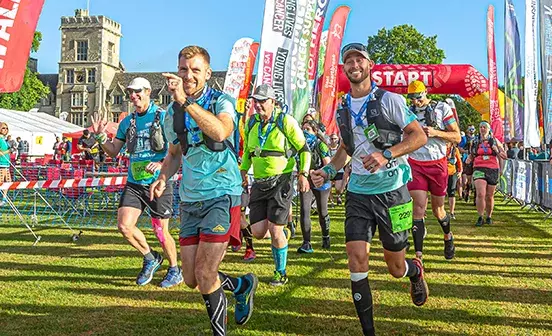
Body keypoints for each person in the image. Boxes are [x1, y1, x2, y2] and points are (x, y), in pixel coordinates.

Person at [311, 43, 429, 336]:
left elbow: (419, 136)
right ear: (345, 68)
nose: (354, 64)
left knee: (395, 267)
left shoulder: (389, 100)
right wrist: (327, 170)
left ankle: (414, 271)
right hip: (359, 193)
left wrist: (386, 154)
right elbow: (346, 150)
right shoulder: (342, 108)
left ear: (369, 64)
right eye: (348, 60)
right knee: (356, 259)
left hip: (393, 192)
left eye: (359, 59)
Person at [150, 46, 257, 335]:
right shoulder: (171, 112)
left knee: (206, 272)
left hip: (222, 192)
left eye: (195, 70)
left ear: (208, 73)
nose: (188, 75)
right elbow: (174, 154)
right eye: (183, 69)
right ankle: (241, 285)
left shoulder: (221, 101)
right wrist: (163, 177)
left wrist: (186, 103)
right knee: (190, 278)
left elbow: (221, 131)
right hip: (190, 198)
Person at [90, 77, 182, 288]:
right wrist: (101, 137)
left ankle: (175, 269)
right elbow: (113, 151)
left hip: (159, 182)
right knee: (124, 226)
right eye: (130, 92)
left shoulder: (163, 116)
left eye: (137, 91)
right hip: (134, 182)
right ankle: (150, 258)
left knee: (160, 231)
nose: (133, 96)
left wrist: (160, 164)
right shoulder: (127, 121)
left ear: (149, 91)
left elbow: (176, 150)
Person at [240, 83, 311, 286]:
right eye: (256, 101)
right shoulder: (251, 122)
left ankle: (280, 272)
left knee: (274, 230)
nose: (258, 105)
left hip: (282, 180)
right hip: (259, 183)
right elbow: (248, 152)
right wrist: (243, 171)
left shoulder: (285, 121)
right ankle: (286, 232)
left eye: (263, 101)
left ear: (273, 102)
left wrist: (303, 173)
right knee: (258, 232)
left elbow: (303, 148)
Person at [406, 80, 461, 261]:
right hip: (415, 164)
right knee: (418, 208)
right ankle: (418, 256)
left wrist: (436, 132)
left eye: (418, 97)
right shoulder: (408, 112)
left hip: (437, 164)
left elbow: (457, 136)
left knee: (439, 210)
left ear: (425, 93)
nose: (415, 102)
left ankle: (448, 236)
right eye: (412, 98)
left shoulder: (442, 108)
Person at [297, 120, 332, 253]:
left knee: (322, 212)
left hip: (320, 181)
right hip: (306, 180)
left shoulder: (321, 145)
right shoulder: (299, 146)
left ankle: (326, 237)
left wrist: (318, 174)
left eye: (308, 129)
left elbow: (328, 165)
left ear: (315, 131)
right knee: (305, 210)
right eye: (303, 129)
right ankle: (307, 243)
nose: (305, 132)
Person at [467, 121, 507, 226]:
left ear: (489, 129)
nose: (482, 129)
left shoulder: (494, 141)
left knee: (489, 196)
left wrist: (497, 151)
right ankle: (480, 216)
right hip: (479, 168)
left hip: (493, 169)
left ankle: (489, 216)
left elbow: (504, 156)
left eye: (485, 127)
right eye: (481, 127)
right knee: (480, 194)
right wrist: (469, 159)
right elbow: (472, 154)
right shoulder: (475, 141)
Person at [459, 125, 476, 202]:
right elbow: (459, 147)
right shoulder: (464, 138)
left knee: (475, 179)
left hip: (476, 161)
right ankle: (467, 192)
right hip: (466, 161)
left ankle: (475, 196)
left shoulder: (477, 138)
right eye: (470, 129)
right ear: (467, 130)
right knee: (466, 180)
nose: (471, 130)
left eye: (473, 129)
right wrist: (465, 151)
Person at [446, 143, 462, 219]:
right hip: (441, 173)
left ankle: (451, 212)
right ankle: (440, 211)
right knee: (441, 193)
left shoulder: (455, 150)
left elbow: (459, 161)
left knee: (451, 192)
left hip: (452, 172)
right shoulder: (441, 148)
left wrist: (460, 171)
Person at [0, 122, 11, 206]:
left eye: (6, 128)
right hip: (1, 163)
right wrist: (8, 151)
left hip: (6, 163)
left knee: (8, 182)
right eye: (3, 128)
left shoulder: (4, 139)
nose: (5, 130)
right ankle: (3, 198)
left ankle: (4, 198)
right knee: (2, 182)